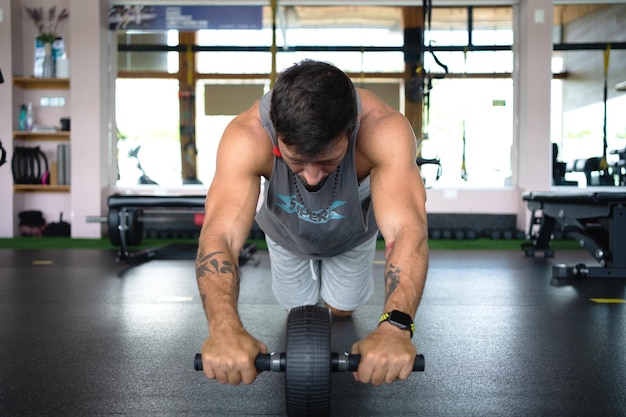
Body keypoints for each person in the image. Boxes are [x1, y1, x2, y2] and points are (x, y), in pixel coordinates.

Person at [196, 59, 429, 386]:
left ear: (351, 129)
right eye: (297, 162)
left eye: (327, 161)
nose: (312, 177)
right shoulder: (247, 137)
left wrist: (397, 327)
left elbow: (409, 230)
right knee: (298, 308)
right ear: (277, 135)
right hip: (285, 233)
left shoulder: (383, 130)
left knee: (342, 309)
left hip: (352, 234)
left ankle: (339, 294)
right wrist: (223, 328)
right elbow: (219, 233)